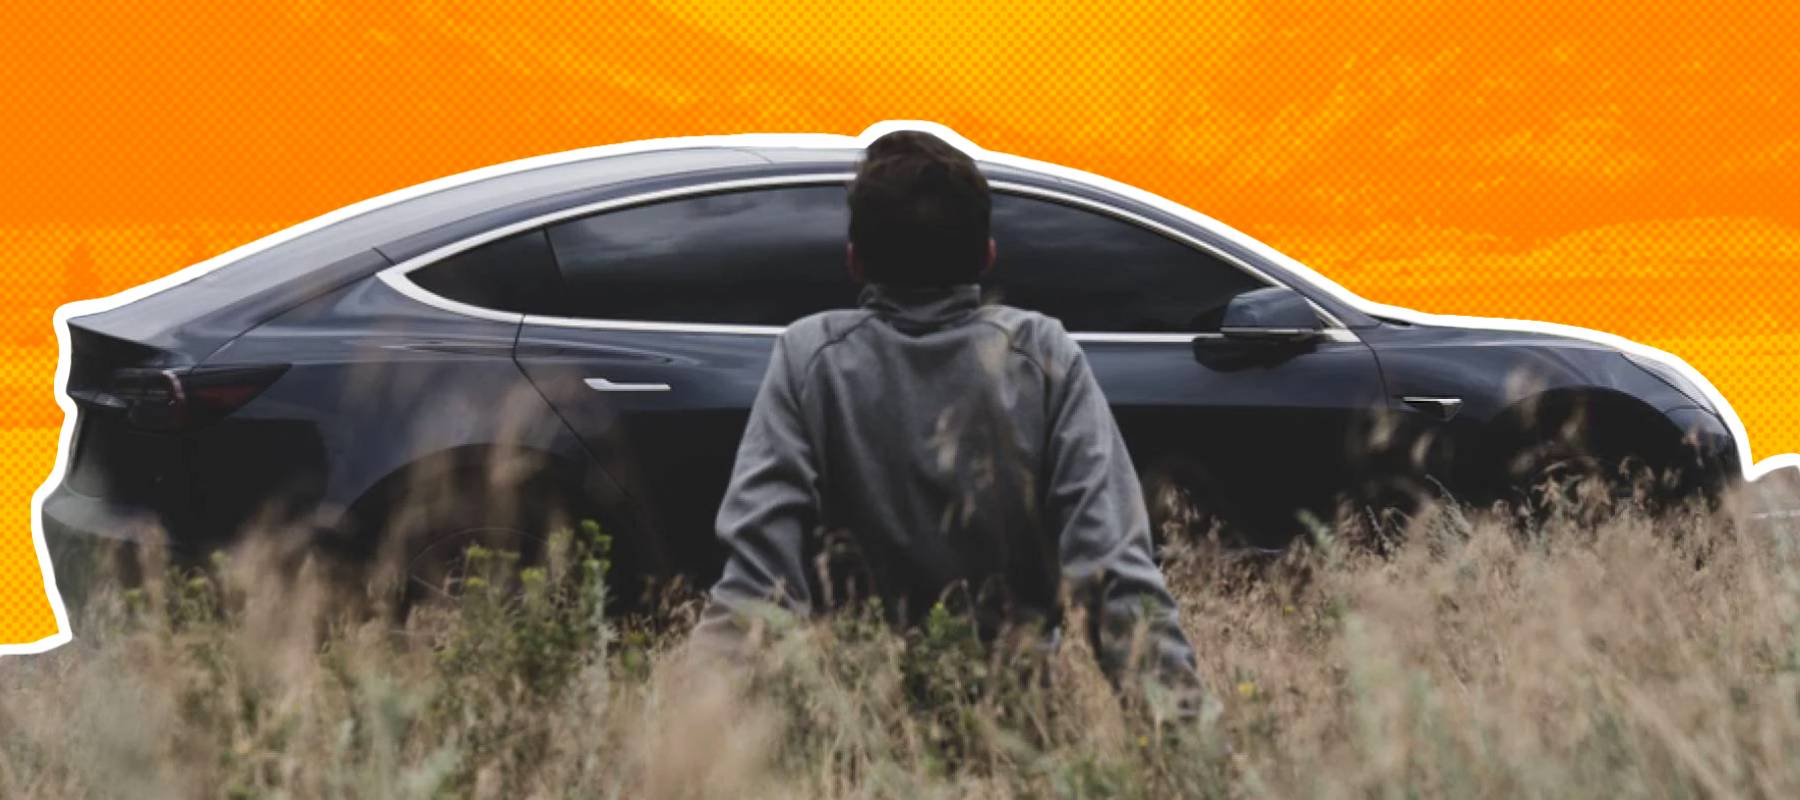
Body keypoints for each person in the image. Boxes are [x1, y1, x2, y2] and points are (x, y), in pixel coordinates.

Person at [693, 130, 1201, 695]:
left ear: (854, 262)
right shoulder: (1041, 355)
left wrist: (682, 746)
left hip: (854, 726)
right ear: (987, 256)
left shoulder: (809, 358)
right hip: (1017, 727)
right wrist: (1188, 747)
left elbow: (756, 589)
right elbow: (1117, 579)